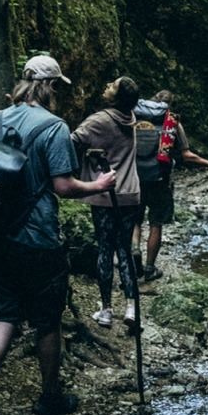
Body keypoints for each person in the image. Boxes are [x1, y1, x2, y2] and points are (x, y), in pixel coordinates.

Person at [0, 54, 116, 415]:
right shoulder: (54, 127)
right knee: (47, 319)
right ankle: (50, 396)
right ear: (49, 87)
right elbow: (63, 186)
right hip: (38, 237)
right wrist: (98, 186)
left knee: (5, 313)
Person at [133, 89, 208, 281]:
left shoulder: (132, 115)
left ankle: (134, 256)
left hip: (134, 178)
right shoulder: (172, 122)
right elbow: (186, 155)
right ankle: (149, 269)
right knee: (156, 224)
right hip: (160, 180)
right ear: (169, 104)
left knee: (135, 222)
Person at [71, 76, 141, 329]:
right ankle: (132, 307)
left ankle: (107, 310)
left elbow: (71, 142)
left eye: (112, 85)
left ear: (117, 95)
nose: (107, 85)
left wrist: (80, 164)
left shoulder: (100, 120)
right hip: (130, 193)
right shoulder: (131, 117)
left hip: (104, 195)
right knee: (124, 250)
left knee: (104, 249)